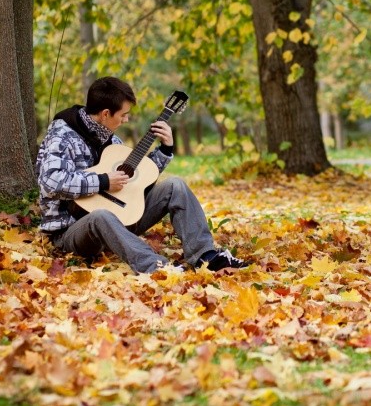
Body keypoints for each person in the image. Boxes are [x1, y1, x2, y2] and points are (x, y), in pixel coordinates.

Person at [36, 76, 247, 273]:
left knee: (176, 185)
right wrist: (103, 181)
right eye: (123, 115)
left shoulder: (110, 140)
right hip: (72, 231)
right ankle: (158, 268)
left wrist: (165, 148)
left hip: (120, 222)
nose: (127, 120)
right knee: (101, 215)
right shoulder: (62, 135)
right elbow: (50, 182)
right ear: (106, 114)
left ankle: (206, 257)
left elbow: (138, 176)